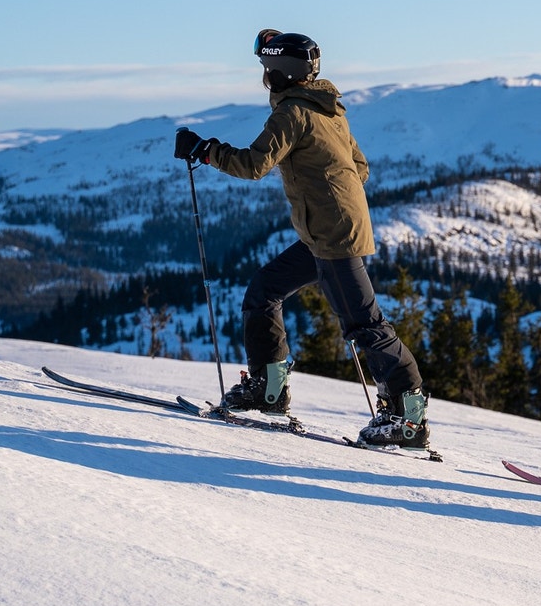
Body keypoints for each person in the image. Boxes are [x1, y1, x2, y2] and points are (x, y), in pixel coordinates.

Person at [173, 29, 430, 449]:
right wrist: (325, 189)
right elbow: (359, 168)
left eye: (266, 69)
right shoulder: (328, 110)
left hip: (332, 237)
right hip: (330, 231)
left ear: (279, 72)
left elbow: (253, 165)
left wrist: (204, 150)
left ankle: (408, 419)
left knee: (365, 324)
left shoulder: (292, 114)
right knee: (263, 290)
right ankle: (267, 389)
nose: (263, 77)